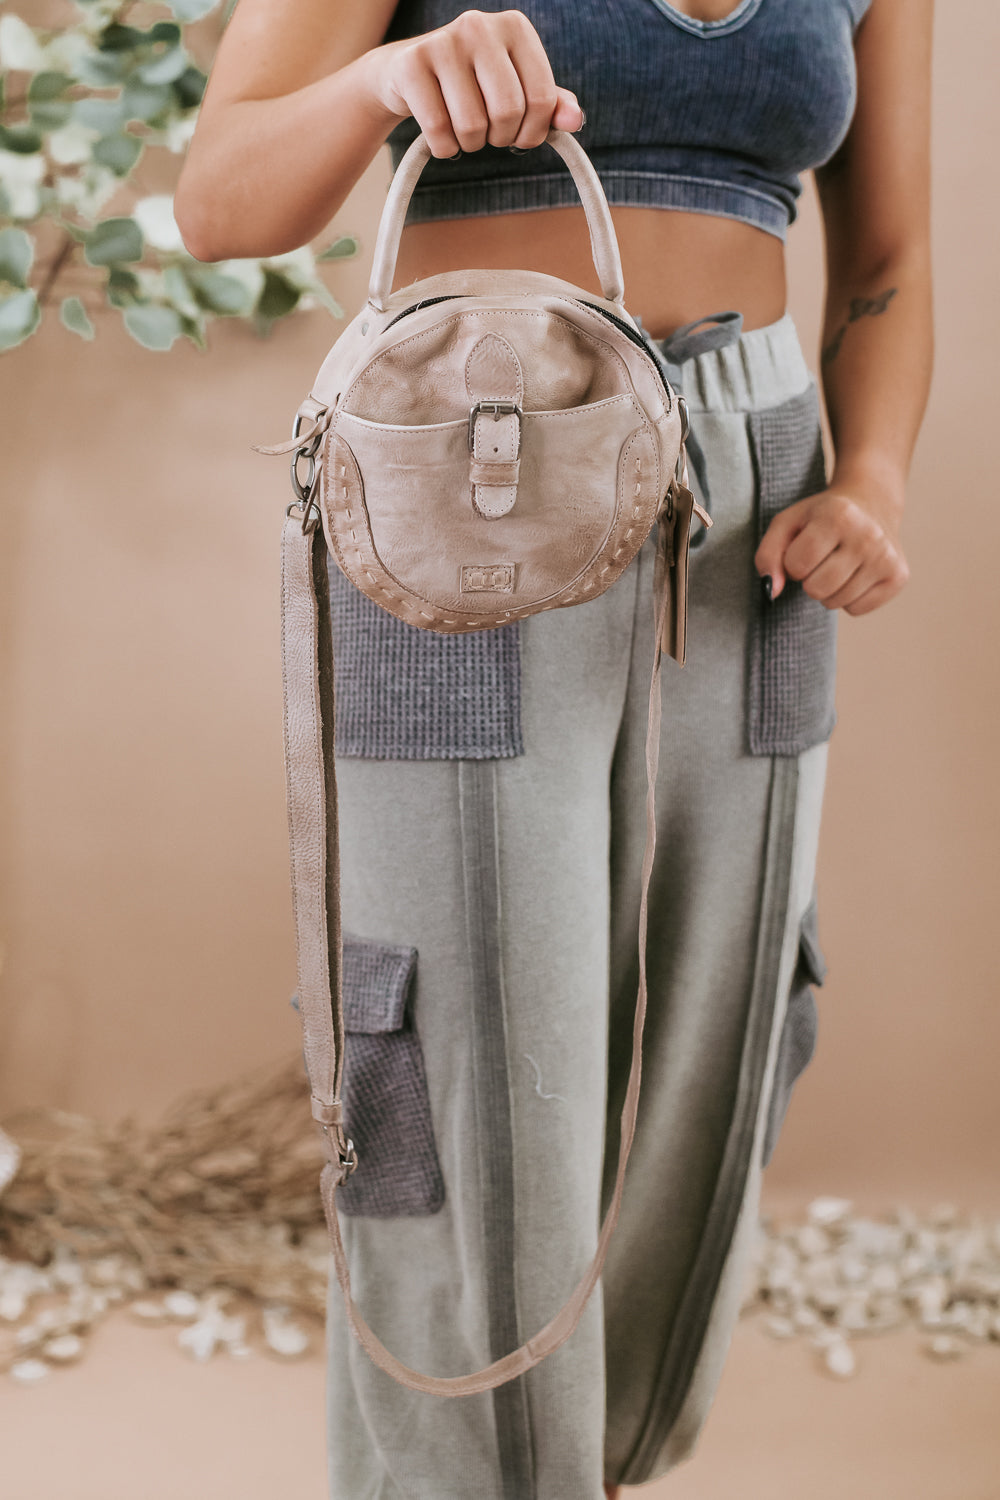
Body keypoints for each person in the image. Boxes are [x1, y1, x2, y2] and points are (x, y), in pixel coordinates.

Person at [176, 2, 932, 1495]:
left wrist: (877, 484)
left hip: (759, 487)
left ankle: (598, 1464)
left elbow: (890, 261)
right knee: (461, 1044)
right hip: (475, 457)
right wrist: (387, 78)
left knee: (715, 1017)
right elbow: (219, 203)